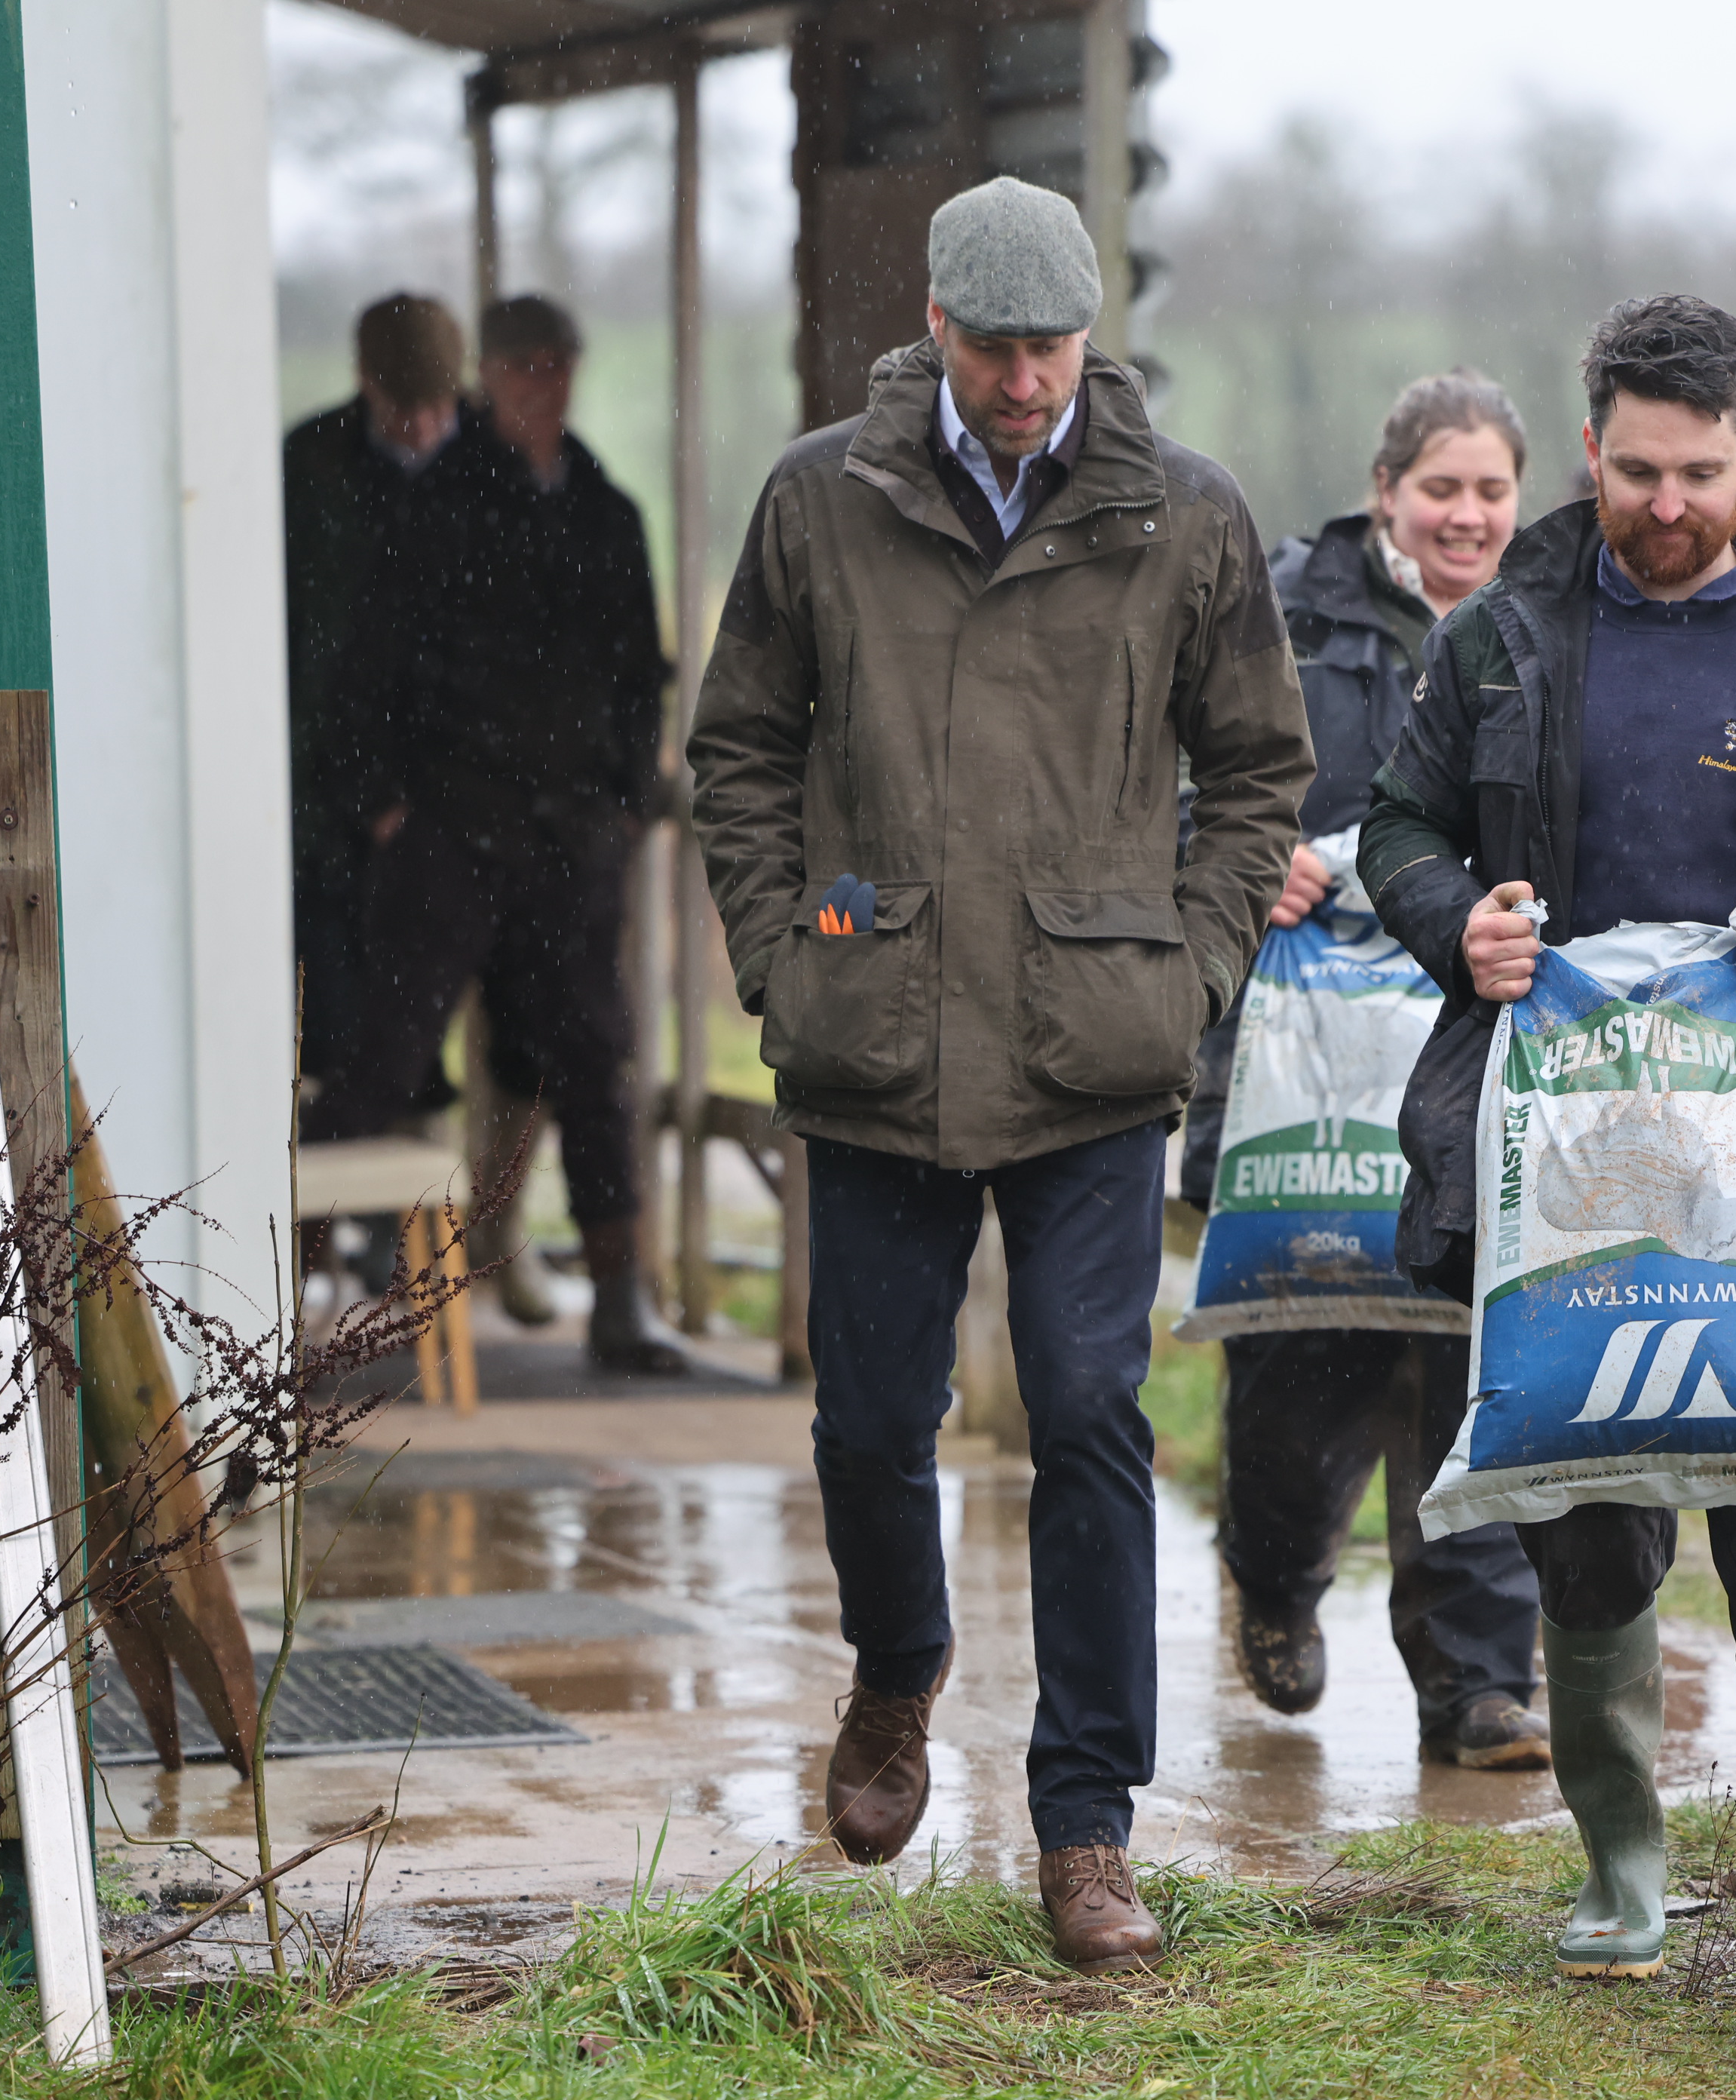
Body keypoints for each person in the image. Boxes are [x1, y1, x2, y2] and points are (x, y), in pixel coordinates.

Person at [686, 177, 1313, 1973]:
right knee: (872, 1421)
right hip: (873, 1031)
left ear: (1088, 333)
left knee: (1088, 1415)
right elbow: (736, 747)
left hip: (1091, 1046)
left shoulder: (1179, 515)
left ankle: (1086, 1822)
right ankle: (897, 1668)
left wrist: (1190, 965)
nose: (1032, 377)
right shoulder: (824, 498)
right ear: (940, 328)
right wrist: (775, 946)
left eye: (1058, 345)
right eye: (1001, 345)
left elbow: (1257, 769)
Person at [1358, 296, 1736, 2026]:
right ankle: (1621, 1865)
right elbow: (1404, 828)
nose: (1662, 503)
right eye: (1633, 469)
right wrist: (1450, 918)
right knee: (1586, 1512)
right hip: (1554, 1131)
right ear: (1589, 448)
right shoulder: (1499, 640)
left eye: (1697, 474)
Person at [1179, 371, 1550, 1771]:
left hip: (1480, 1044)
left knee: (1477, 1352)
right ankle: (1272, 1570)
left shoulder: (1547, 628)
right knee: (1307, 1362)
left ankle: (1478, 1680)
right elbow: (1172, 757)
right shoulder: (1278, 608)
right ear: (1385, 489)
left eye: (1490, 491)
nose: (1466, 515)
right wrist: (1228, 845)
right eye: (1440, 488)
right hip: (1299, 1061)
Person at [305, 293, 686, 1376]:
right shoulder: (436, 511)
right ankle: (299, 1288)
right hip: (449, 833)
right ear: (488, 378)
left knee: (591, 1060)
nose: (543, 382)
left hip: (571, 844)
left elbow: (636, 675)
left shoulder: (604, 510)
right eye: (521, 365)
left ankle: (621, 1292)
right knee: (382, 1055)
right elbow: (367, 668)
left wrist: (622, 796)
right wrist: (383, 803)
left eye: (558, 361)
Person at [284, 293, 468, 1094]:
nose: (424, 429)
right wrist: (363, 790)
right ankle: (344, 1214)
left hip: (461, 804)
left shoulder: (493, 464)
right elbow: (306, 655)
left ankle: (414, 1211)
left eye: (439, 407)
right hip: (327, 801)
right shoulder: (308, 471)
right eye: (404, 408)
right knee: (336, 1029)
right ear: (364, 383)